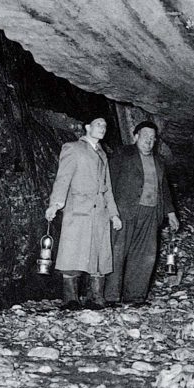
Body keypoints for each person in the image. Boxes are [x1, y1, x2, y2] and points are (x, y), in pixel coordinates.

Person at [46, 117, 122, 311]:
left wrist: (113, 214)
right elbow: (63, 179)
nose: (103, 128)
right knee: (73, 252)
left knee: (98, 255)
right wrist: (55, 204)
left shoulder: (103, 154)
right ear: (87, 127)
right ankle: (70, 299)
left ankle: (95, 297)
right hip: (78, 209)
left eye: (105, 125)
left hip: (100, 213)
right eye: (98, 124)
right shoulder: (73, 148)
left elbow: (108, 188)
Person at [104, 121, 180, 307]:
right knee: (117, 252)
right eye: (145, 136)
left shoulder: (159, 161)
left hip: (151, 212)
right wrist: (109, 209)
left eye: (152, 138)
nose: (149, 141)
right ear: (135, 136)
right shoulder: (122, 154)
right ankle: (110, 297)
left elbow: (164, 189)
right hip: (125, 211)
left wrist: (170, 213)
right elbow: (109, 182)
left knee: (145, 255)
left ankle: (136, 296)